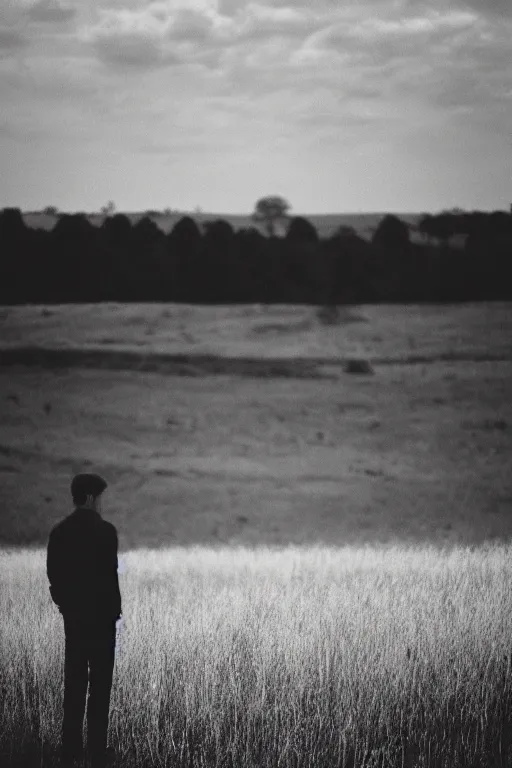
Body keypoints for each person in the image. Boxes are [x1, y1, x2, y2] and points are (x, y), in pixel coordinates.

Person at [46, 473, 122, 768]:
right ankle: (97, 754)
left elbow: (54, 577)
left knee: (74, 685)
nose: (102, 504)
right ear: (91, 497)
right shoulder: (106, 532)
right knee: (100, 689)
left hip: (74, 622)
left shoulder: (59, 533)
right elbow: (110, 576)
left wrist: (66, 605)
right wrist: (115, 613)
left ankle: (70, 752)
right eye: (100, 498)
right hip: (102, 623)